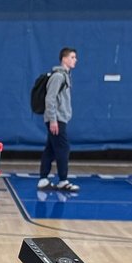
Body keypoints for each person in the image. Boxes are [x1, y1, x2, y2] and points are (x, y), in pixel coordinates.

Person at [37, 47, 79, 193]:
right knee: (63, 148)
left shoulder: (65, 76)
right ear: (64, 59)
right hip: (56, 120)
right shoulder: (58, 77)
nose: (75, 60)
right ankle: (63, 180)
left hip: (60, 119)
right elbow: (50, 98)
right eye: (72, 57)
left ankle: (43, 179)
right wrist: (53, 119)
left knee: (51, 149)